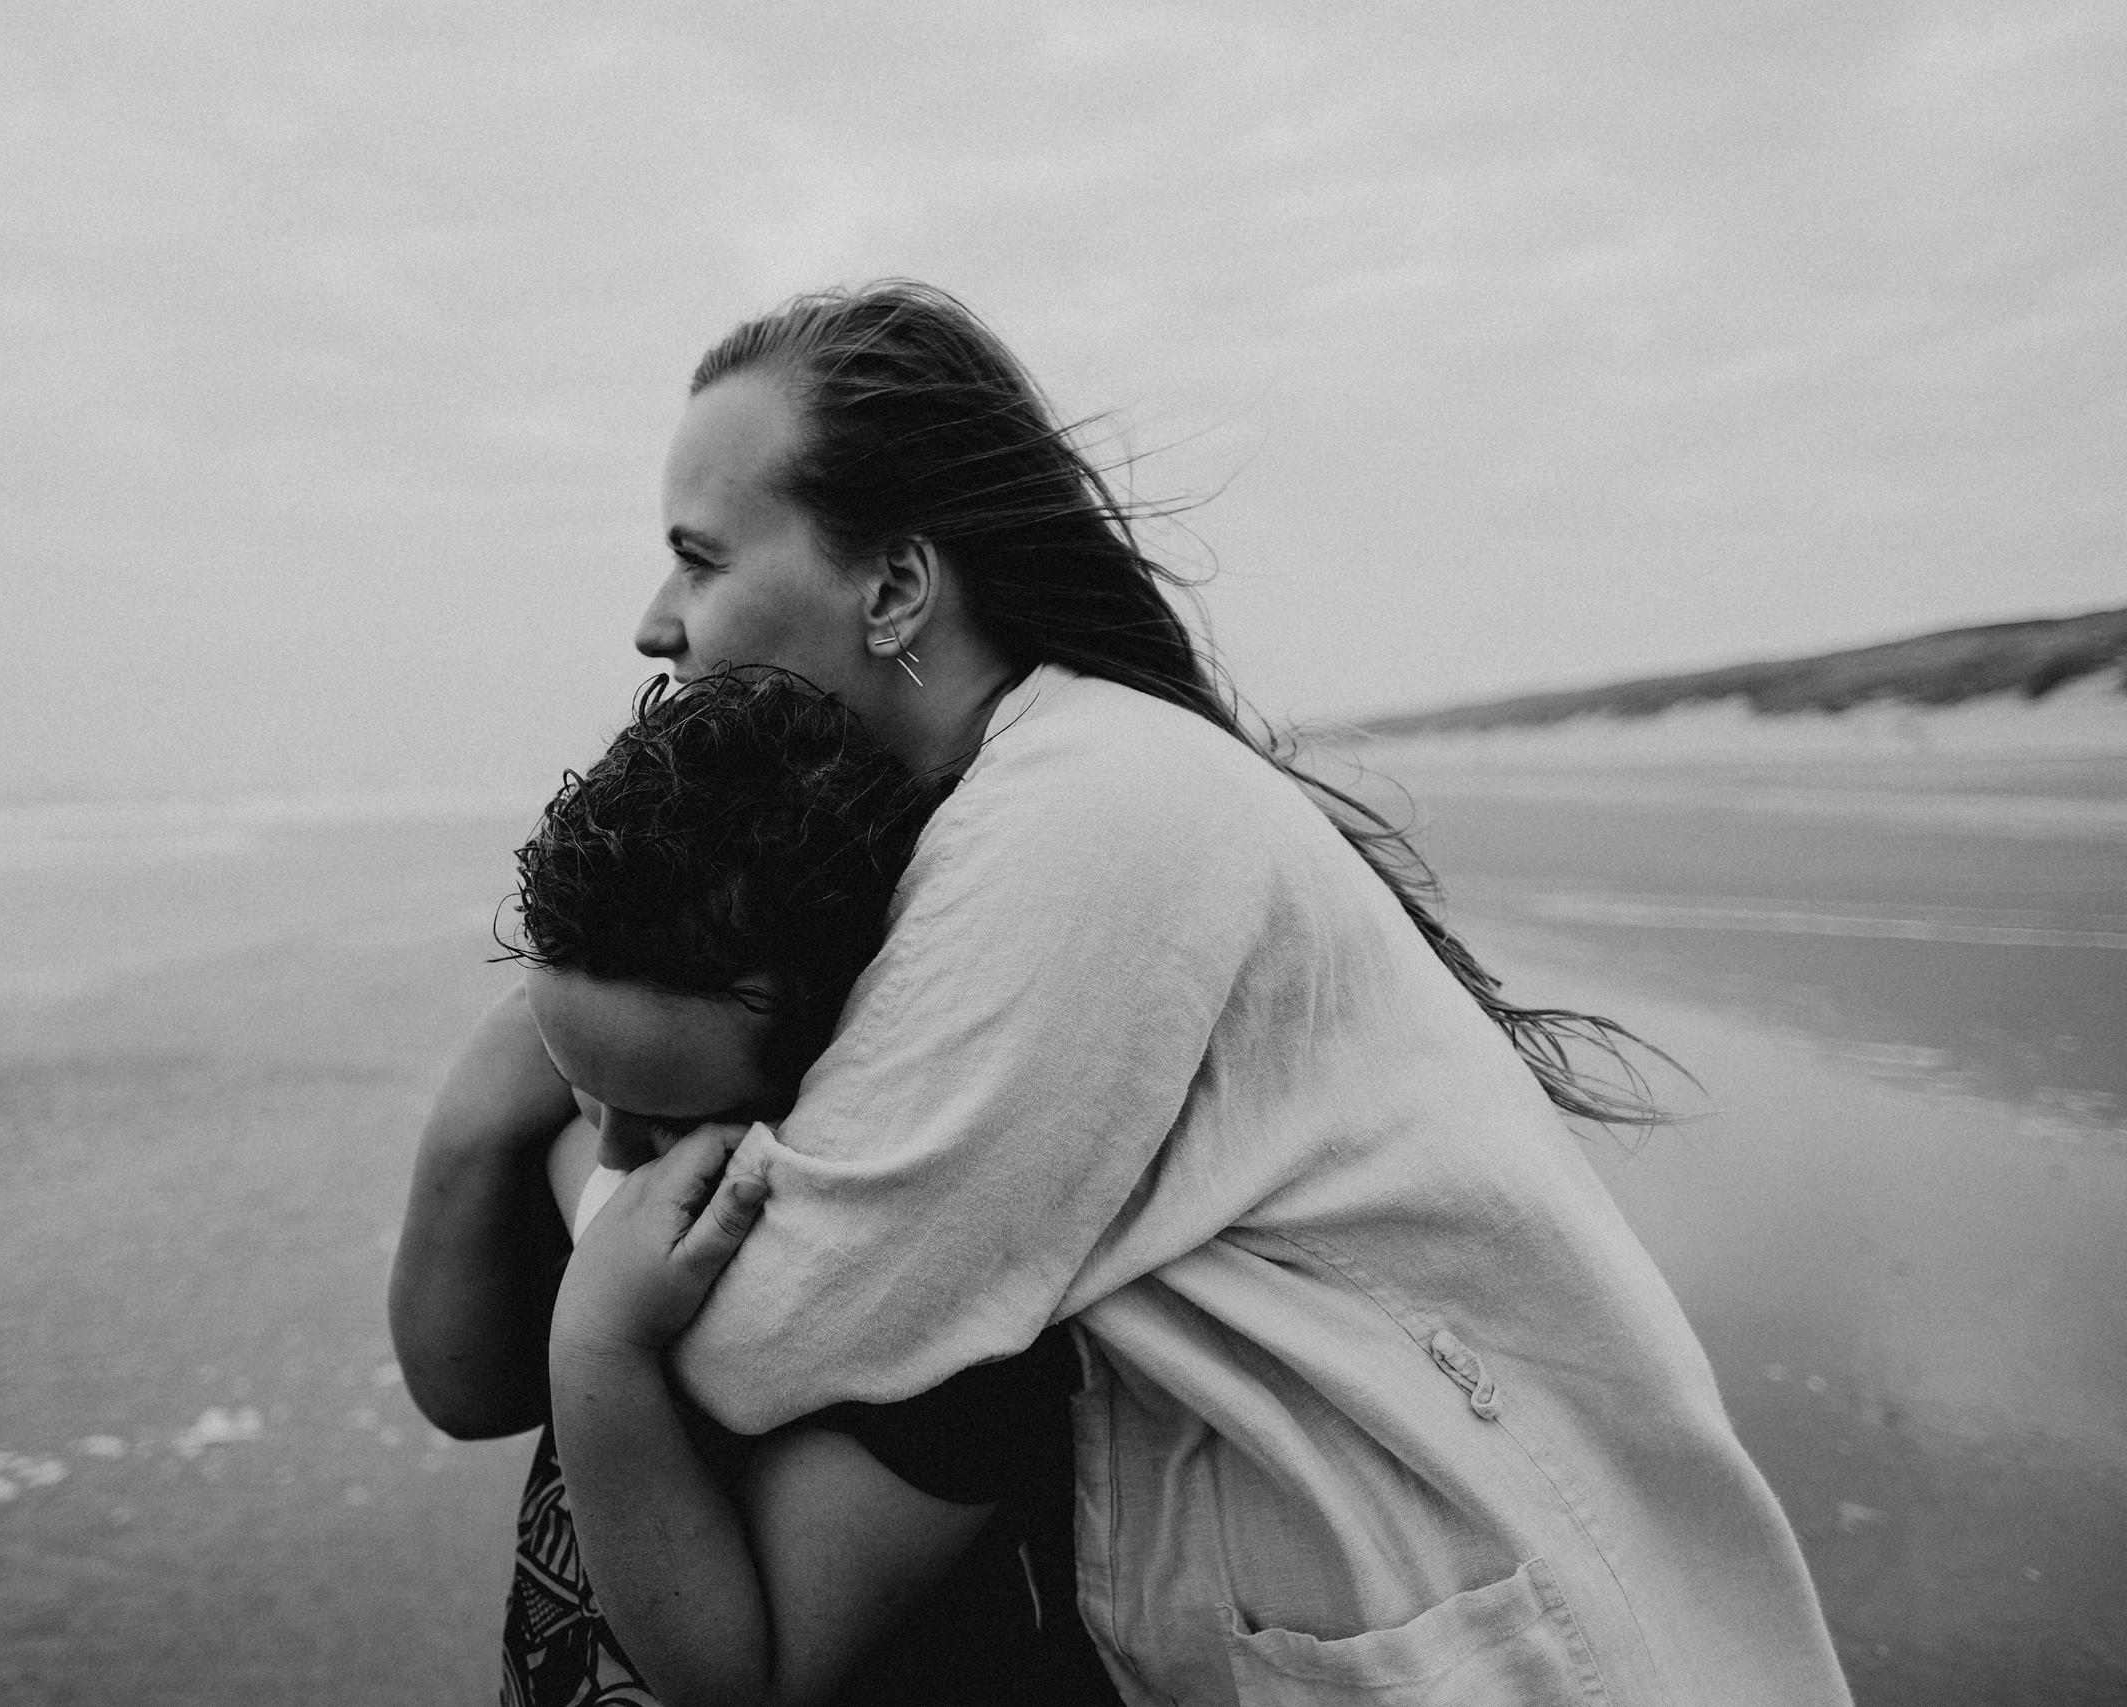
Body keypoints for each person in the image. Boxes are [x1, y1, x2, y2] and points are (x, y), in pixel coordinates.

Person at [405, 280, 1852, 1707]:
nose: (657, 621)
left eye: (700, 557)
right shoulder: (962, 820)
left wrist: (534, 1139)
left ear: (896, 585)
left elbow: (774, 1324)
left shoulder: (1092, 808)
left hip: (1505, 1649)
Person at [395, 669, 1123, 1706]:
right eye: (577, 1087)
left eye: (665, 1118)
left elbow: (743, 1682)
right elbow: (460, 1391)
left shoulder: (945, 1300)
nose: (606, 1154)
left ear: (843, 1058)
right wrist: (480, 1114)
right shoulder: (648, 1085)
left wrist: (600, 1338)